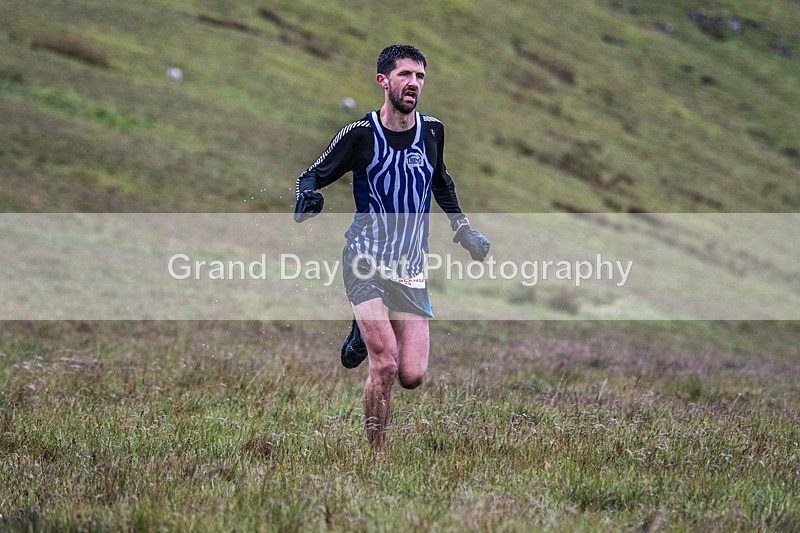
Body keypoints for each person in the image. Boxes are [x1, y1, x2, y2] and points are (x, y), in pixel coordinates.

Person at [294, 44, 490, 449]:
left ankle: (358, 332)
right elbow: (310, 175)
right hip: (364, 261)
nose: (413, 84)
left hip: (411, 268)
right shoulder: (360, 135)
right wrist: (308, 197)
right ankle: (375, 455)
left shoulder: (432, 131)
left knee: (412, 375)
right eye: (405, 75)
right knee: (384, 363)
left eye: (420, 76)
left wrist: (463, 230)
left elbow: (441, 183)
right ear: (383, 81)